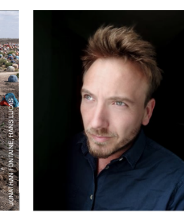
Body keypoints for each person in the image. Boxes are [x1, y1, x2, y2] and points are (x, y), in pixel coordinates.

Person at [65, 25, 183, 210]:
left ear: (147, 112)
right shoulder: (64, 153)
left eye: (119, 103)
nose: (96, 123)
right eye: (89, 97)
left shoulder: (179, 184)